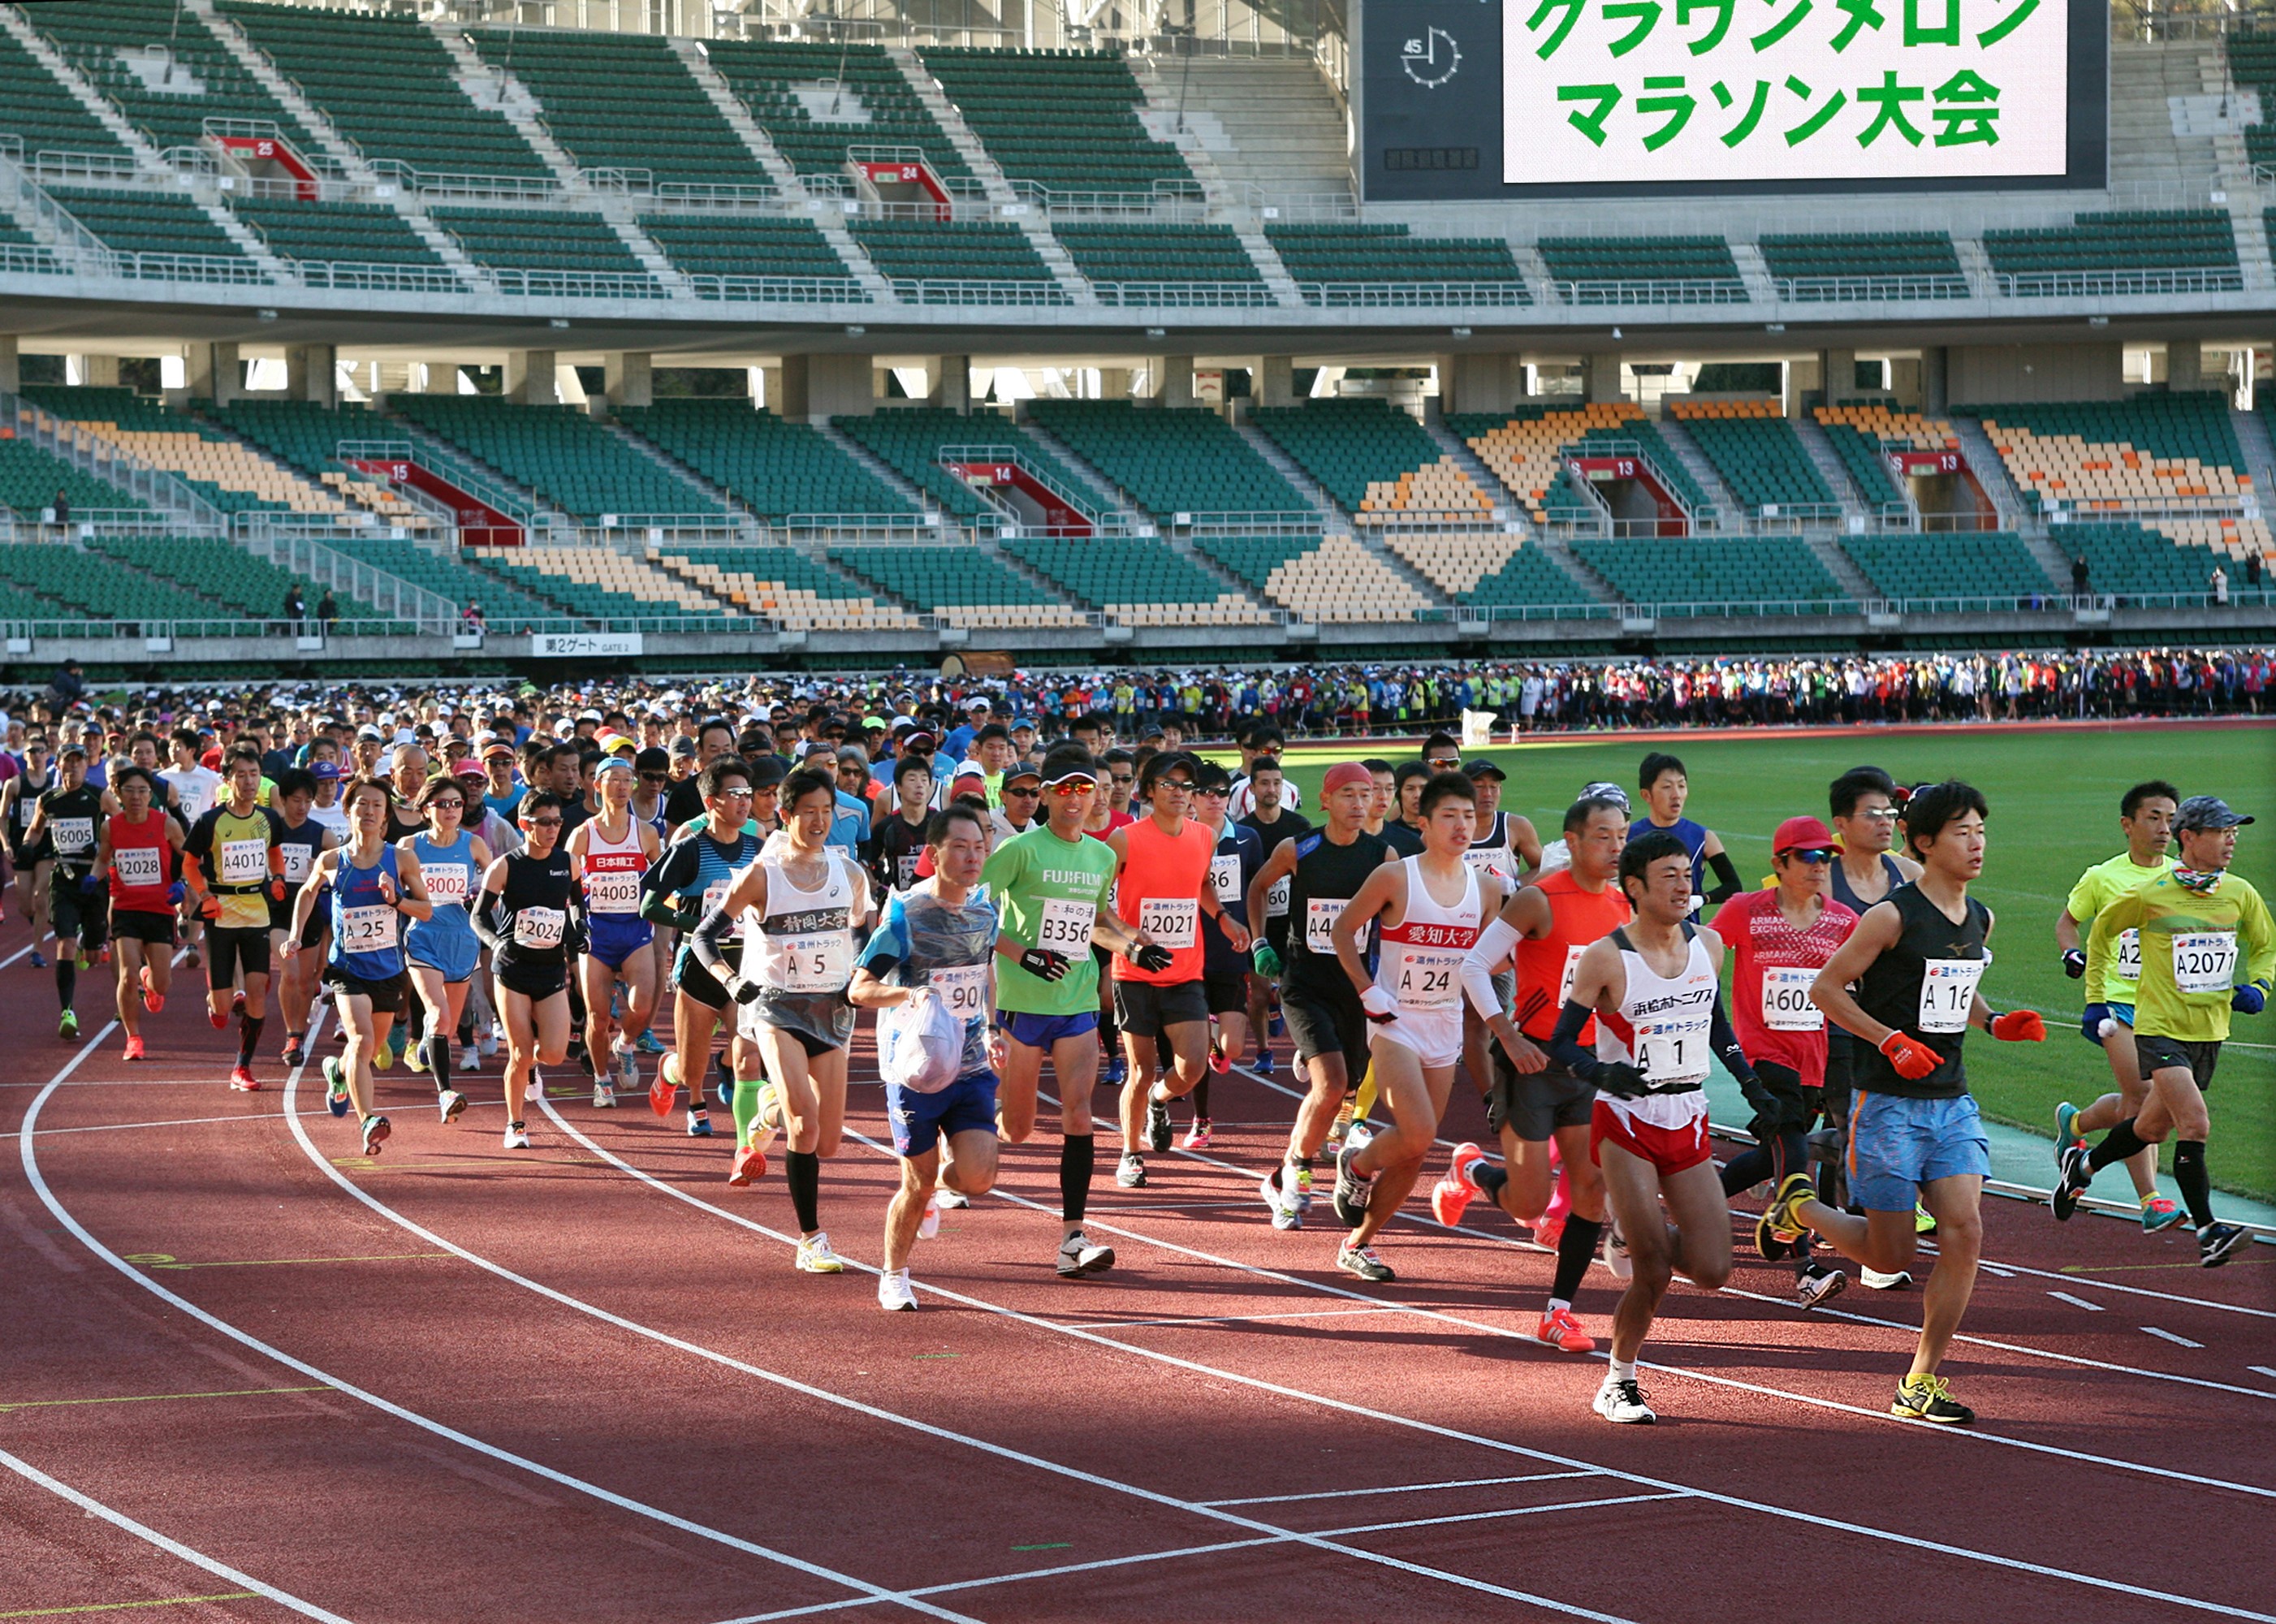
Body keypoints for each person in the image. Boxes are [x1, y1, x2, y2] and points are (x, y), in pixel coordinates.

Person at [1761, 780, 2047, 1425]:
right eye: (1961, 832)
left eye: (1980, 830)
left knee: (1965, 1229)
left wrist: (1994, 1021)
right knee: (1890, 1256)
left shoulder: (1979, 917)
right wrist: (1888, 1041)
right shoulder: (1890, 916)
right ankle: (1800, 1204)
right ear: (1925, 842)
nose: (1975, 844)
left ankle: (1918, 1381)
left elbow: (1953, 989)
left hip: (1951, 1101)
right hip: (1886, 1103)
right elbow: (1828, 990)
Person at [1534, 830, 1754, 1423]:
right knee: (1655, 1267)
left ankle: (1629, 1235)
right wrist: (1606, 1072)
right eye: (1670, 876)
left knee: (1712, 1268)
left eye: (1688, 874)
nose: (1686, 885)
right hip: (1624, 1119)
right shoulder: (1606, 957)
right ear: (1634, 886)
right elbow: (1560, 1043)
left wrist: (1752, 1086)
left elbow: (1715, 1026)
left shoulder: (1708, 945)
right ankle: (1618, 1380)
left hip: (1687, 1116)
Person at [1440, 793, 1630, 1354]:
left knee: (1590, 1190)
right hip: (1532, 1064)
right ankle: (1471, 1170)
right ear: (1571, 841)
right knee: (1526, 1204)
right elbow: (1474, 966)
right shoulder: (1537, 900)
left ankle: (1558, 1311)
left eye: (1620, 835)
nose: (1615, 846)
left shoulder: (1623, 906)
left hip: (1587, 1066)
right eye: (1602, 835)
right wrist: (1508, 1034)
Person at [2054, 796, 2271, 1265]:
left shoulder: (2239, 893)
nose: (2232, 839)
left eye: (2236, 830)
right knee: (2195, 1122)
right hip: (2158, 1030)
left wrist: (2262, 985)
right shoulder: (2150, 893)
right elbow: (2100, 934)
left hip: (2209, 1031)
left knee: (2151, 1127)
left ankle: (2082, 1166)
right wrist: (2096, 1002)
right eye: (2221, 831)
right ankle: (2209, 1231)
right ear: (2189, 838)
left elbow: (2267, 946)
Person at [693, 767, 871, 1275]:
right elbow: (704, 936)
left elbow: (863, 932)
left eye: (826, 811)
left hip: (832, 1010)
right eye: (808, 811)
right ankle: (811, 1239)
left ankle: (765, 1112)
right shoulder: (763, 875)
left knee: (829, 1140)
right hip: (776, 1007)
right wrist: (729, 980)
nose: (819, 820)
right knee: (805, 1124)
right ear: (787, 814)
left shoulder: (849, 873)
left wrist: (860, 973)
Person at [981, 746, 1143, 1279]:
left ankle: (1073, 1239)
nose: (1075, 800)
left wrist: (1134, 947)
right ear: (1046, 795)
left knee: (1078, 1115)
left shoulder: (1099, 856)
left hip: (1075, 1004)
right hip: (1021, 1005)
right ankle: (959, 1125)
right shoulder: (1018, 851)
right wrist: (1022, 954)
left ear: (1096, 795)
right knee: (1018, 1129)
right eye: (1064, 790)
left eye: (1084, 789)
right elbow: (976, 915)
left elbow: (1098, 920)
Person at [1326, 771, 1492, 1283]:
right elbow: (1342, 931)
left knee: (1418, 1146)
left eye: (1469, 816)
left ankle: (1358, 1243)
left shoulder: (1486, 889)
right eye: (1450, 816)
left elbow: (1486, 961)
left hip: (1444, 1021)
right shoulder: (1397, 877)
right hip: (1393, 1017)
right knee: (1418, 1128)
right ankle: (1355, 1166)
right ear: (1423, 822)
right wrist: (1367, 990)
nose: (1462, 825)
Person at [848, 804, 1003, 1311]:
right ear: (935, 855)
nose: (972, 856)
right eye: (960, 847)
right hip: (915, 1069)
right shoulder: (904, 916)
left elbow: (985, 972)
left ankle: (941, 1184)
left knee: (979, 1177)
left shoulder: (985, 911)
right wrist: (908, 997)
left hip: (972, 1062)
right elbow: (860, 989)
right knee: (913, 1183)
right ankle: (894, 1274)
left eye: (979, 847)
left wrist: (996, 1024)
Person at [1707, 816, 1859, 1308]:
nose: (1820, 866)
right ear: (1779, 863)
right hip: (1762, 1057)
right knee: (1794, 1156)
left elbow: (1866, 982)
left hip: (1812, 1060)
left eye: (1827, 857)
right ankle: (1806, 1269)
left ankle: (1691, 1203)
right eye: (1809, 857)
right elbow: (1700, 956)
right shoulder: (1742, 911)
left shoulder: (1842, 921)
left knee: (1773, 1155)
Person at [1248, 762, 1393, 1232]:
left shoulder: (1382, 856)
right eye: (1347, 794)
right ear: (1326, 801)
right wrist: (1259, 942)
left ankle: (1280, 1175)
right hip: (1304, 982)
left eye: (1365, 795)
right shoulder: (1299, 848)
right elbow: (1257, 888)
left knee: (1343, 1089)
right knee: (1330, 1086)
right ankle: (1297, 1171)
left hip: (1356, 988)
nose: (1358, 804)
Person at [1106, 750, 1245, 1189]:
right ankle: (1131, 1153)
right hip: (1134, 974)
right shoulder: (1125, 840)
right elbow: (1097, 905)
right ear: (1148, 792)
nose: (1181, 793)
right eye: (1170, 785)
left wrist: (1222, 917)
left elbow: (1202, 881)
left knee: (1191, 1068)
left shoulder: (1204, 836)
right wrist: (1131, 939)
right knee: (1141, 1068)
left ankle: (1159, 1101)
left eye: (1187, 786)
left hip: (1186, 970)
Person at [2053, 780, 2184, 1230]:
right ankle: (2151, 1199)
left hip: (2166, 1007)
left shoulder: (2180, 877)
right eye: (2154, 817)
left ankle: (2075, 1126)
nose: (2164, 827)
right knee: (2144, 1095)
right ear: (2128, 824)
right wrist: (2072, 952)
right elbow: (2068, 923)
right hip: (2116, 1003)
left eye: (2171, 818)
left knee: (2151, 1102)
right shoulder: (2103, 877)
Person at [283, 777, 433, 1158]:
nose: (368, 811)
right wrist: (296, 934)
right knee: (363, 1041)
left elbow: (426, 910)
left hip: (388, 969)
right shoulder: (333, 861)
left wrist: (396, 899)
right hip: (347, 970)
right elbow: (306, 890)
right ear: (348, 812)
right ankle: (368, 1121)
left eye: (377, 806)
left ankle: (336, 1071)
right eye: (362, 804)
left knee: (368, 1049)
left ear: (384, 818)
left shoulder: (401, 859)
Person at [1822, 766, 1926, 1277]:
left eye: (1890, 812)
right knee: (1840, 1124)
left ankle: (1865, 1241)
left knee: (1867, 1128)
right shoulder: (1823, 875)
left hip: (1891, 1030)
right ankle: (1844, 1225)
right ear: (1841, 822)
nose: (1885, 822)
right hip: (1828, 1020)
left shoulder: (1908, 876)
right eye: (1872, 814)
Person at [640, 757, 762, 1138]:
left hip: (743, 967)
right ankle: (676, 1078)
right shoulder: (690, 849)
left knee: (748, 1059)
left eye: (748, 793)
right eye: (735, 794)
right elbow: (649, 904)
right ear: (711, 802)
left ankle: (747, 1147)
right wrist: (700, 925)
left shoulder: (758, 850)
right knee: (691, 1070)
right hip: (700, 967)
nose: (745, 802)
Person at [473, 791, 583, 1150]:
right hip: (513, 969)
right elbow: (478, 916)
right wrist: (495, 943)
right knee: (519, 1053)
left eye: (557, 822)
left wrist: (580, 933)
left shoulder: (569, 863)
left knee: (553, 1053)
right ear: (525, 824)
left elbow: (577, 907)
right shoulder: (505, 866)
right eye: (545, 822)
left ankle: (533, 1067)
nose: (553, 829)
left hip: (550, 970)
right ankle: (516, 1124)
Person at [180, 748, 288, 1091]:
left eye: (253, 774)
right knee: (224, 1005)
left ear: (261, 778)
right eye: (240, 775)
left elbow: (275, 853)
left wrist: (278, 877)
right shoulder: (211, 821)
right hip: (222, 914)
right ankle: (215, 997)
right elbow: (189, 864)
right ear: (228, 780)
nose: (248, 781)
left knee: (257, 992)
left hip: (257, 911)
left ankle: (242, 1067)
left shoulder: (269, 819)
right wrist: (205, 895)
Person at [567, 754, 659, 1107]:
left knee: (641, 1007)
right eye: (614, 779)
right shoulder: (583, 834)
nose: (622, 786)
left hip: (634, 930)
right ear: (598, 786)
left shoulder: (646, 833)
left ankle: (626, 1045)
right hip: (596, 933)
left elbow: (660, 882)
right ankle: (602, 1080)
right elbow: (565, 881)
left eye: (627, 779)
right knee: (599, 1016)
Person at [400, 773, 490, 1125]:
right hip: (423, 937)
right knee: (438, 1015)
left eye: (457, 803)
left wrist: (482, 900)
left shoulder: (473, 845)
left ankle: (427, 1041)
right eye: (443, 804)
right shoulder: (410, 846)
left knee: (447, 1027)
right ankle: (445, 1093)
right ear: (426, 809)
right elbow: (393, 885)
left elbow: (496, 884)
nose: (452, 809)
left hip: (462, 940)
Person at [1186, 759, 1263, 1147]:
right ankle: (1201, 1119)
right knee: (1195, 1050)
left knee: (1230, 1048)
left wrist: (1257, 938)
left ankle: (1220, 1043)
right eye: (1207, 792)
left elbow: (1257, 892)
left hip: (1232, 953)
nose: (1216, 799)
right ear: (1193, 798)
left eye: (1222, 792)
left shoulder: (1247, 838)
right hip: (1189, 951)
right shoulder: (1181, 837)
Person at [97, 765, 188, 1063]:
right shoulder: (112, 826)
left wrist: (182, 884)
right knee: (126, 975)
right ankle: (133, 1037)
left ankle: (149, 978)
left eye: (142, 791)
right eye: (129, 791)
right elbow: (102, 859)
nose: (136, 797)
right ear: (119, 793)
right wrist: (93, 877)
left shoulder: (167, 824)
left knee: (162, 984)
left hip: (159, 909)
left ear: (151, 795)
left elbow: (189, 859)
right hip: (125, 909)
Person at [27, 743, 106, 1037]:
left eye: (78, 762)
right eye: (67, 762)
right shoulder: (48, 800)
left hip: (94, 878)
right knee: (65, 942)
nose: (73, 767)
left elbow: (120, 824)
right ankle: (67, 1011)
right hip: (64, 879)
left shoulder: (99, 796)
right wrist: (26, 845)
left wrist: (100, 846)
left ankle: (91, 944)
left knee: (96, 953)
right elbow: (35, 829)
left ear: (87, 766)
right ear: (58, 766)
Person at [1237, 754, 1309, 1073]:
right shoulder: (1244, 831)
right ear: (1252, 789)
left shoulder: (1299, 827)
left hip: (1293, 921)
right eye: (1264, 783)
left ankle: (1305, 1047)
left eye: (1277, 783)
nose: (1271, 789)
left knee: (1298, 990)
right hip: (1260, 921)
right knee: (1260, 994)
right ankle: (1264, 1050)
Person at [268, 767, 335, 1069]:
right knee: (290, 973)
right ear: (283, 800)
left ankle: (299, 1032)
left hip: (308, 912)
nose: (302, 807)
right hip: (277, 912)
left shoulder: (321, 834)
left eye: (308, 801)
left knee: (307, 982)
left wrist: (322, 872)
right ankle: (292, 1035)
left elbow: (346, 866)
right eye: (296, 800)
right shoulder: (270, 829)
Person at [1635, 752, 1743, 917]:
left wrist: (1702, 899)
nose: (1676, 794)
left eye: (1681, 786)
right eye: (1666, 787)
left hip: (1687, 936)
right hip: (1639, 935)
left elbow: (1733, 886)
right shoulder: (1629, 837)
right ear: (1646, 795)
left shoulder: (1703, 837)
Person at [3, 733, 56, 967]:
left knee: (40, 895)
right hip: (22, 846)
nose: (37, 755)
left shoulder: (54, 783)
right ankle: (40, 921)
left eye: (41, 751)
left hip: (47, 845)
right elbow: (2, 818)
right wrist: (5, 844)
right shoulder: (14, 784)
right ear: (25, 756)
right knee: (25, 904)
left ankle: (36, 949)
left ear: (48, 754)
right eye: (32, 751)